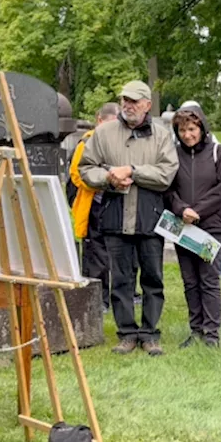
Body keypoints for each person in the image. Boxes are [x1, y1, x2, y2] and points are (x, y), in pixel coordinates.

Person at [78, 80, 179, 356]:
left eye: (134, 101)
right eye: (125, 100)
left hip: (149, 216)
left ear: (147, 105)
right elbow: (86, 168)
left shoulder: (161, 136)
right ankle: (126, 334)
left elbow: (167, 174)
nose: (128, 105)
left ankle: (149, 334)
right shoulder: (104, 133)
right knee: (120, 278)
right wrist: (109, 178)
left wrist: (132, 171)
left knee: (152, 278)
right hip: (114, 215)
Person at [165, 107, 221, 347]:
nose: (187, 135)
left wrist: (198, 210)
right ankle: (196, 330)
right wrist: (181, 208)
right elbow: (168, 188)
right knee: (190, 280)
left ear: (202, 128)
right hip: (182, 227)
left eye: (192, 129)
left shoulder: (218, 152)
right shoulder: (173, 155)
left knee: (209, 279)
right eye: (182, 130)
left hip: (210, 227)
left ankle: (211, 333)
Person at [68, 103, 119, 303]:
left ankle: (114, 295)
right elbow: (76, 174)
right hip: (94, 205)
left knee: (112, 254)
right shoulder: (86, 143)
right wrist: (99, 183)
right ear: (100, 120)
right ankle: (97, 298)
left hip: (113, 205)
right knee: (95, 255)